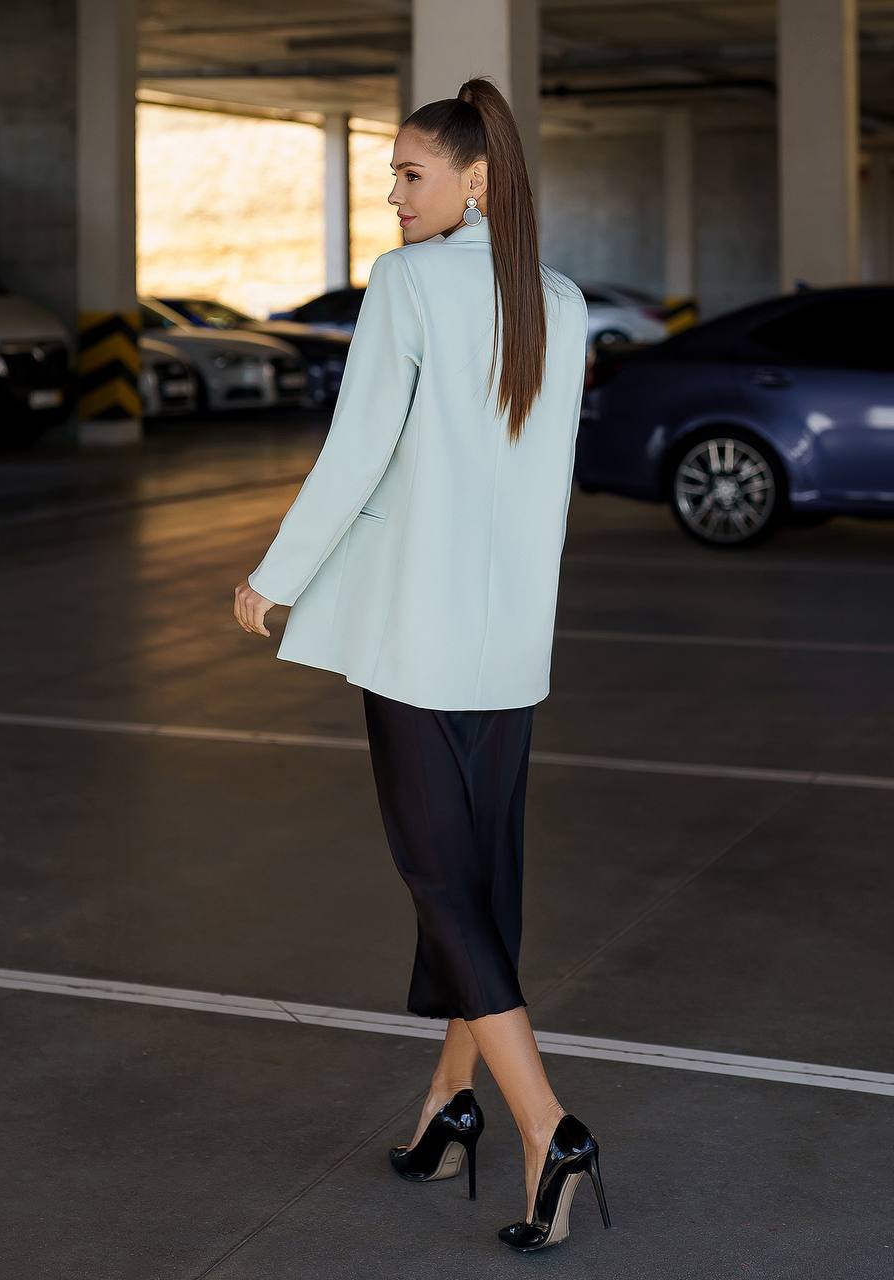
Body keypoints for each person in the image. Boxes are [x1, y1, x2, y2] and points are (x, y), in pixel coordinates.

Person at [233, 75, 610, 1253]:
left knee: (441, 883)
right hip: (509, 640)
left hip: (417, 635)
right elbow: (544, 481)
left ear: (475, 181)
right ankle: (450, 1103)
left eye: (409, 173)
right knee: (477, 881)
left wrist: (275, 576)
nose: (392, 195)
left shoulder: (407, 284)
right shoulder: (559, 300)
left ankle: (546, 1127)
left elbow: (357, 452)